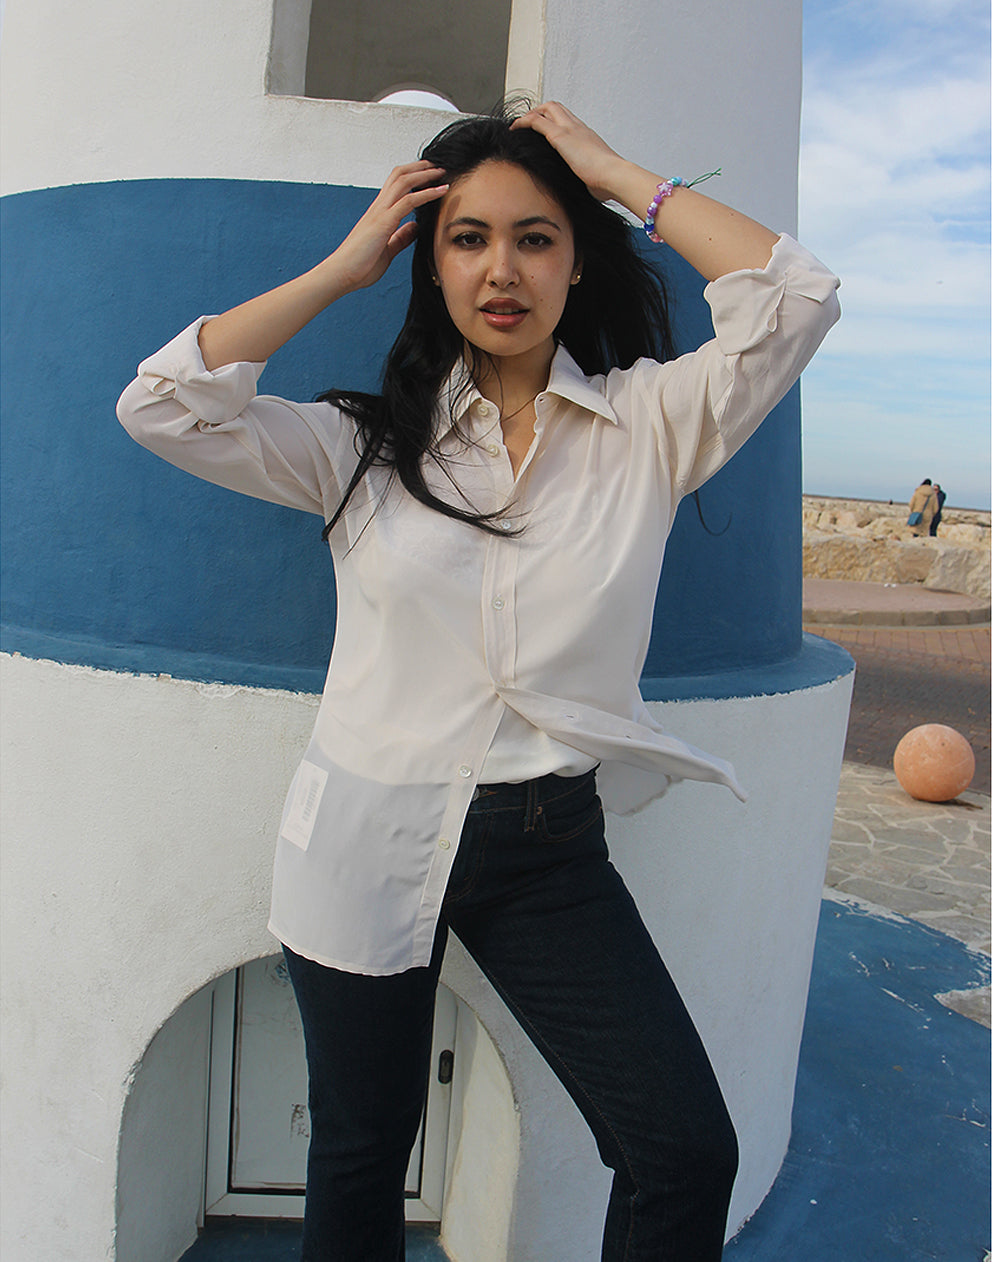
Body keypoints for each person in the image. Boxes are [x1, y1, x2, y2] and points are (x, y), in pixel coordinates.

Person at [118, 101, 840, 1261]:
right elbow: (158, 404)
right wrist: (344, 268)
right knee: (360, 1152)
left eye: (534, 236)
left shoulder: (648, 426)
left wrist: (612, 171)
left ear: (574, 258)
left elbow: (794, 296)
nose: (501, 268)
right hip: (362, 832)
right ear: (432, 263)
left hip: (546, 851)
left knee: (681, 1149)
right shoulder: (358, 448)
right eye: (467, 238)